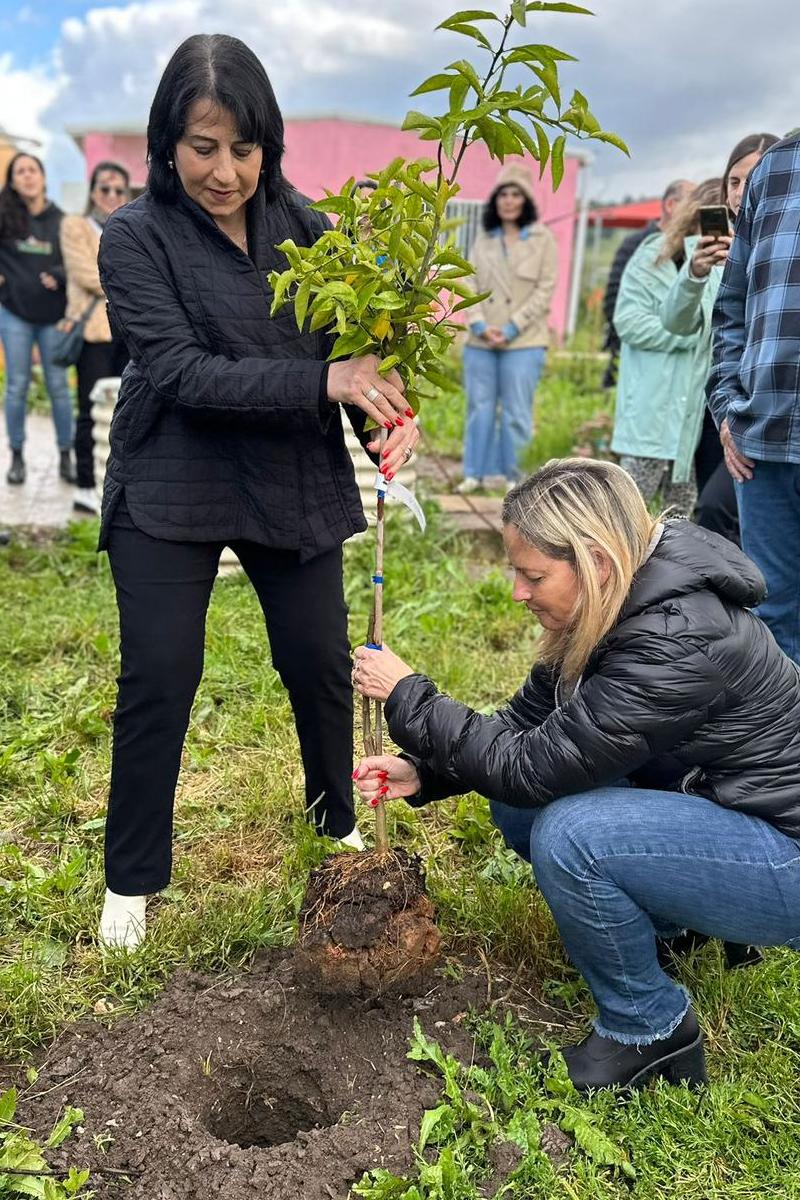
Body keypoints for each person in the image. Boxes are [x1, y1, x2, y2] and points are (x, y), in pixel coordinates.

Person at [95, 33, 419, 949]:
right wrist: (333, 385)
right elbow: (183, 372)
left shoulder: (307, 229)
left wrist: (386, 415)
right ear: (167, 142)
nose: (226, 170)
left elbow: (349, 352)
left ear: (269, 142)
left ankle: (337, 823)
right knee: (161, 674)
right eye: (203, 147)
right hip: (171, 478)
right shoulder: (134, 237)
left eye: (244, 147)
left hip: (287, 474)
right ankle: (131, 880)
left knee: (318, 663)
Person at [352, 457, 800, 1092]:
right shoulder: (615, 603)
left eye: (533, 574)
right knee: (521, 808)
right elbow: (529, 727)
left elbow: (531, 766)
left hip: (784, 849)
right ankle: (667, 928)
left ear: (596, 562)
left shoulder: (676, 640)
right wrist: (424, 771)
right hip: (726, 807)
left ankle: (649, 1030)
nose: (516, 591)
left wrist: (408, 698)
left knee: (572, 831)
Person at [708, 132, 800, 664]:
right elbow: (733, 306)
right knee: (770, 623)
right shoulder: (777, 166)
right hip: (761, 445)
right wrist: (727, 410)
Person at [661, 135, 778, 544]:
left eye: (753, 178)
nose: (741, 191)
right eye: (733, 181)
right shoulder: (702, 248)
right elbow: (674, 322)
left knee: (720, 510)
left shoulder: (781, 247)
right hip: (708, 404)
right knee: (714, 513)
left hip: (761, 406)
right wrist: (694, 274)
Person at [610, 181, 723, 515]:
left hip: (694, 420)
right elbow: (628, 321)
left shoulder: (728, 263)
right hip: (652, 405)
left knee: (679, 521)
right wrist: (688, 334)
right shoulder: (650, 256)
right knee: (626, 514)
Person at [458, 164, 558, 493]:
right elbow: (467, 280)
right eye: (503, 194)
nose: (509, 201)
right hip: (481, 340)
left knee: (517, 410)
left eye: (516, 194)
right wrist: (478, 323)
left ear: (526, 199)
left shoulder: (543, 240)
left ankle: (516, 476)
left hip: (524, 341)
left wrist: (513, 327)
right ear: (495, 200)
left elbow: (545, 288)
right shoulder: (483, 239)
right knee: (480, 408)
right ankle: (475, 473)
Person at [60, 161, 132, 514]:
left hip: (127, 330)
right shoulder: (76, 226)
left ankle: (114, 482)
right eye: (105, 188)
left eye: (120, 190)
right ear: (92, 192)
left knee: (122, 407)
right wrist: (132, 283)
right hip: (93, 332)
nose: (112, 196)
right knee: (89, 408)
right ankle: (86, 485)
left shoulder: (134, 227)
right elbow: (86, 273)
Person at [0, 152, 75, 486]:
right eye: (20, 172)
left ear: (44, 177)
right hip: (14, 313)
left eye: (32, 170)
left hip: (52, 318)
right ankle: (16, 455)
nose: (27, 176)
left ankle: (65, 455)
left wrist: (58, 273)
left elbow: (76, 261)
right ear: (13, 181)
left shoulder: (61, 220)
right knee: (16, 386)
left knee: (58, 387)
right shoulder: (5, 217)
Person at [601, 179, 693, 389]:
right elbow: (614, 303)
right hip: (633, 354)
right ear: (671, 205)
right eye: (691, 205)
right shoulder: (635, 246)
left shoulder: (691, 250)